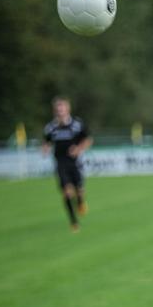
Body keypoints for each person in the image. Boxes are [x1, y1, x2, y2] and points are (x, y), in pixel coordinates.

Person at [42, 97, 93, 231]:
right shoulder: (51, 127)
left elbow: (88, 140)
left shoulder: (77, 124)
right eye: (58, 110)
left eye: (62, 109)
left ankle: (81, 201)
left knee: (79, 190)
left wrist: (78, 149)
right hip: (61, 163)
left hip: (75, 162)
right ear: (55, 111)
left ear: (67, 109)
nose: (60, 112)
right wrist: (45, 148)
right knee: (67, 193)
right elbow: (46, 141)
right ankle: (73, 222)